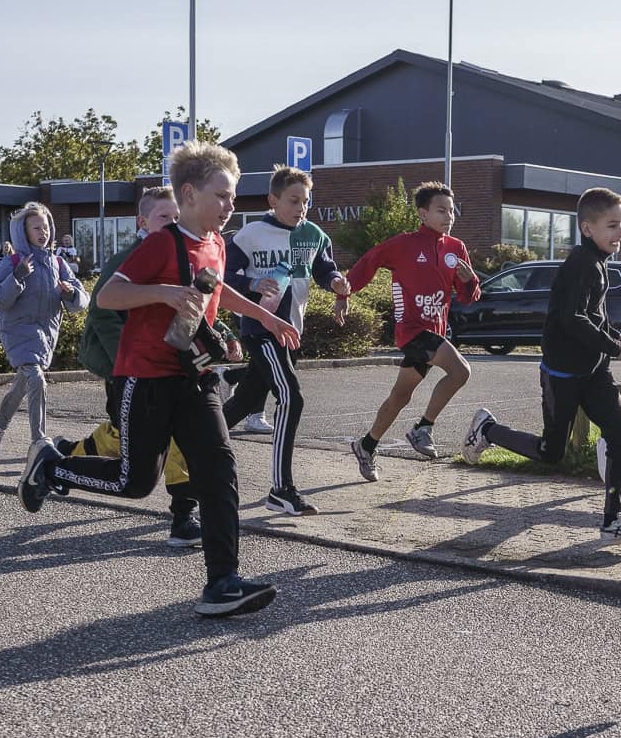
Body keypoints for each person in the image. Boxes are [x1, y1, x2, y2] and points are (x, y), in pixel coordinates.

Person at [25, 141, 299, 614]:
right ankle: (51, 465)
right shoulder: (161, 242)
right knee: (135, 482)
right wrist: (164, 293)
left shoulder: (214, 244)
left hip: (196, 377)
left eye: (233, 197)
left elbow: (218, 291)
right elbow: (108, 296)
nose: (230, 206)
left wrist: (266, 318)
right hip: (146, 378)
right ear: (189, 194)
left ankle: (223, 584)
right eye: (222, 196)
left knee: (218, 472)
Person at [461, 188, 621, 542]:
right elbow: (573, 319)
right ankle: (487, 430)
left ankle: (614, 522)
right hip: (563, 374)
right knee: (552, 453)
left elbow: (596, 315)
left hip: (594, 373)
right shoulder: (581, 264)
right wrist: (612, 345)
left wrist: (617, 337)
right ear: (587, 228)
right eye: (613, 225)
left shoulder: (600, 262)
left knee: (620, 437)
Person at [59, 185, 204, 535]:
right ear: (143, 221)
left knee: (174, 440)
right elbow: (104, 314)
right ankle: (65, 459)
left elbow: (197, 306)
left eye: (176, 217)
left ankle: (184, 512)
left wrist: (221, 338)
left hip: (169, 367)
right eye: (163, 217)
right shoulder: (127, 259)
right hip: (127, 367)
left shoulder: (179, 254)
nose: (172, 223)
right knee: (128, 439)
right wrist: (122, 368)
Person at [221, 165, 351, 515]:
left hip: (291, 331)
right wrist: (252, 284)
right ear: (273, 200)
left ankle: (190, 445)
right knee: (291, 398)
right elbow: (221, 275)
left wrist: (337, 283)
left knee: (244, 402)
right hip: (260, 330)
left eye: (306, 202)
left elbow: (324, 268)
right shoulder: (249, 235)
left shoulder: (313, 235)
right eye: (294, 201)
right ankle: (281, 489)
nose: (301, 208)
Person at [341, 181, 481, 480]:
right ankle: (422, 429)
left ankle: (366, 445)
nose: (449, 216)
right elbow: (369, 262)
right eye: (441, 210)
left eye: (452, 210)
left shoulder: (455, 249)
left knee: (400, 396)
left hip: (436, 331)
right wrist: (344, 294)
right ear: (422, 213)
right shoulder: (403, 244)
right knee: (461, 371)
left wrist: (469, 281)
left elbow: (468, 298)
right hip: (412, 330)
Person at [0, 201, 86, 461]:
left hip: (45, 335)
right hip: (18, 332)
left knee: (23, 385)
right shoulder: (13, 261)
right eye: (36, 227)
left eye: (46, 227)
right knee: (36, 379)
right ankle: (38, 443)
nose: (43, 232)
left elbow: (81, 301)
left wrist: (71, 292)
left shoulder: (58, 263)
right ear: (23, 231)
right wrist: (17, 276)